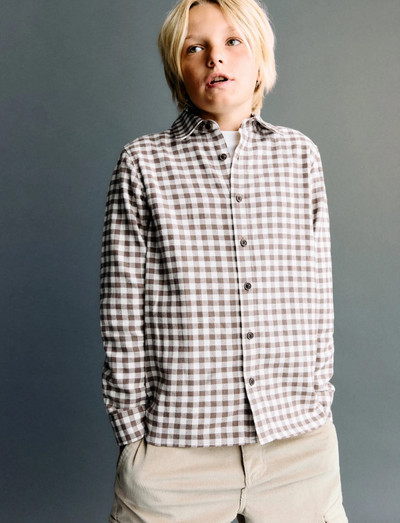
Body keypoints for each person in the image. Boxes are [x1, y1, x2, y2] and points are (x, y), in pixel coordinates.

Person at [99, 0, 348, 521]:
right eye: (196, 48)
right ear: (179, 70)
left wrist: (317, 398)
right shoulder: (143, 162)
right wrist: (132, 431)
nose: (215, 57)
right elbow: (120, 308)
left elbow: (318, 291)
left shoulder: (300, 156)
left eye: (233, 41)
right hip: (175, 448)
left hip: (297, 444)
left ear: (260, 58)